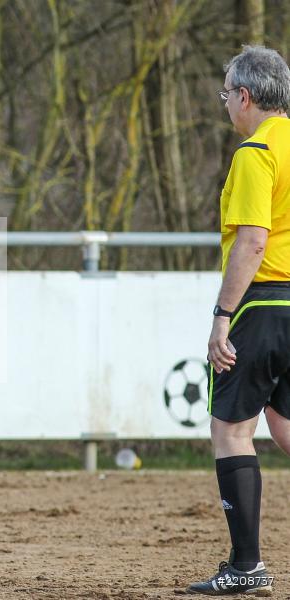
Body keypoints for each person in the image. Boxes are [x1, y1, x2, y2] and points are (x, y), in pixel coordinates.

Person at [187, 45, 290, 596]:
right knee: (286, 428)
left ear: (245, 96)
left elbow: (252, 241)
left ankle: (246, 566)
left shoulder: (256, 151)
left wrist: (223, 316)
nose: (225, 103)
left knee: (232, 430)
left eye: (227, 94)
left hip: (264, 302)